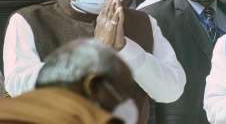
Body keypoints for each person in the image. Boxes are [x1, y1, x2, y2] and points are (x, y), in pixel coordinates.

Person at [3, 0, 186, 124]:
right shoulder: (30, 20)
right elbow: (19, 87)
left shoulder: (143, 21)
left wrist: (125, 49)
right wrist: (94, 51)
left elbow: (171, 91)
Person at [0, 38, 138, 124]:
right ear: (94, 86)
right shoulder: (91, 119)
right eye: (123, 92)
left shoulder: (7, 109)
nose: (127, 102)